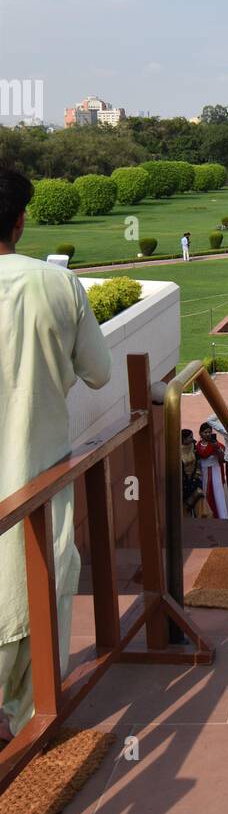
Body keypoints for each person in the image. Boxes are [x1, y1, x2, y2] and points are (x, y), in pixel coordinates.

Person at [0, 167, 112, 742]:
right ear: (21, 219)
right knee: (33, 594)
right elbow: (99, 373)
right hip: (35, 477)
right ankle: (28, 731)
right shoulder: (55, 284)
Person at [196, 423, 228, 520]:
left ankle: (219, 515)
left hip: (215, 473)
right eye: (205, 432)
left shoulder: (217, 445)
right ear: (200, 433)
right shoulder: (197, 445)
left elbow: (224, 459)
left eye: (209, 432)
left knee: (216, 494)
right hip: (202, 473)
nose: (208, 434)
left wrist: (217, 448)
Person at [181, 429, 207, 516]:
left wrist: (196, 475)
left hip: (194, 479)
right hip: (182, 482)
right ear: (184, 439)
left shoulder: (193, 447)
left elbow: (198, 463)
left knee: (199, 496)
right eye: (190, 437)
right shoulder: (177, 450)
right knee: (185, 503)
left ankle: (202, 517)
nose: (192, 439)